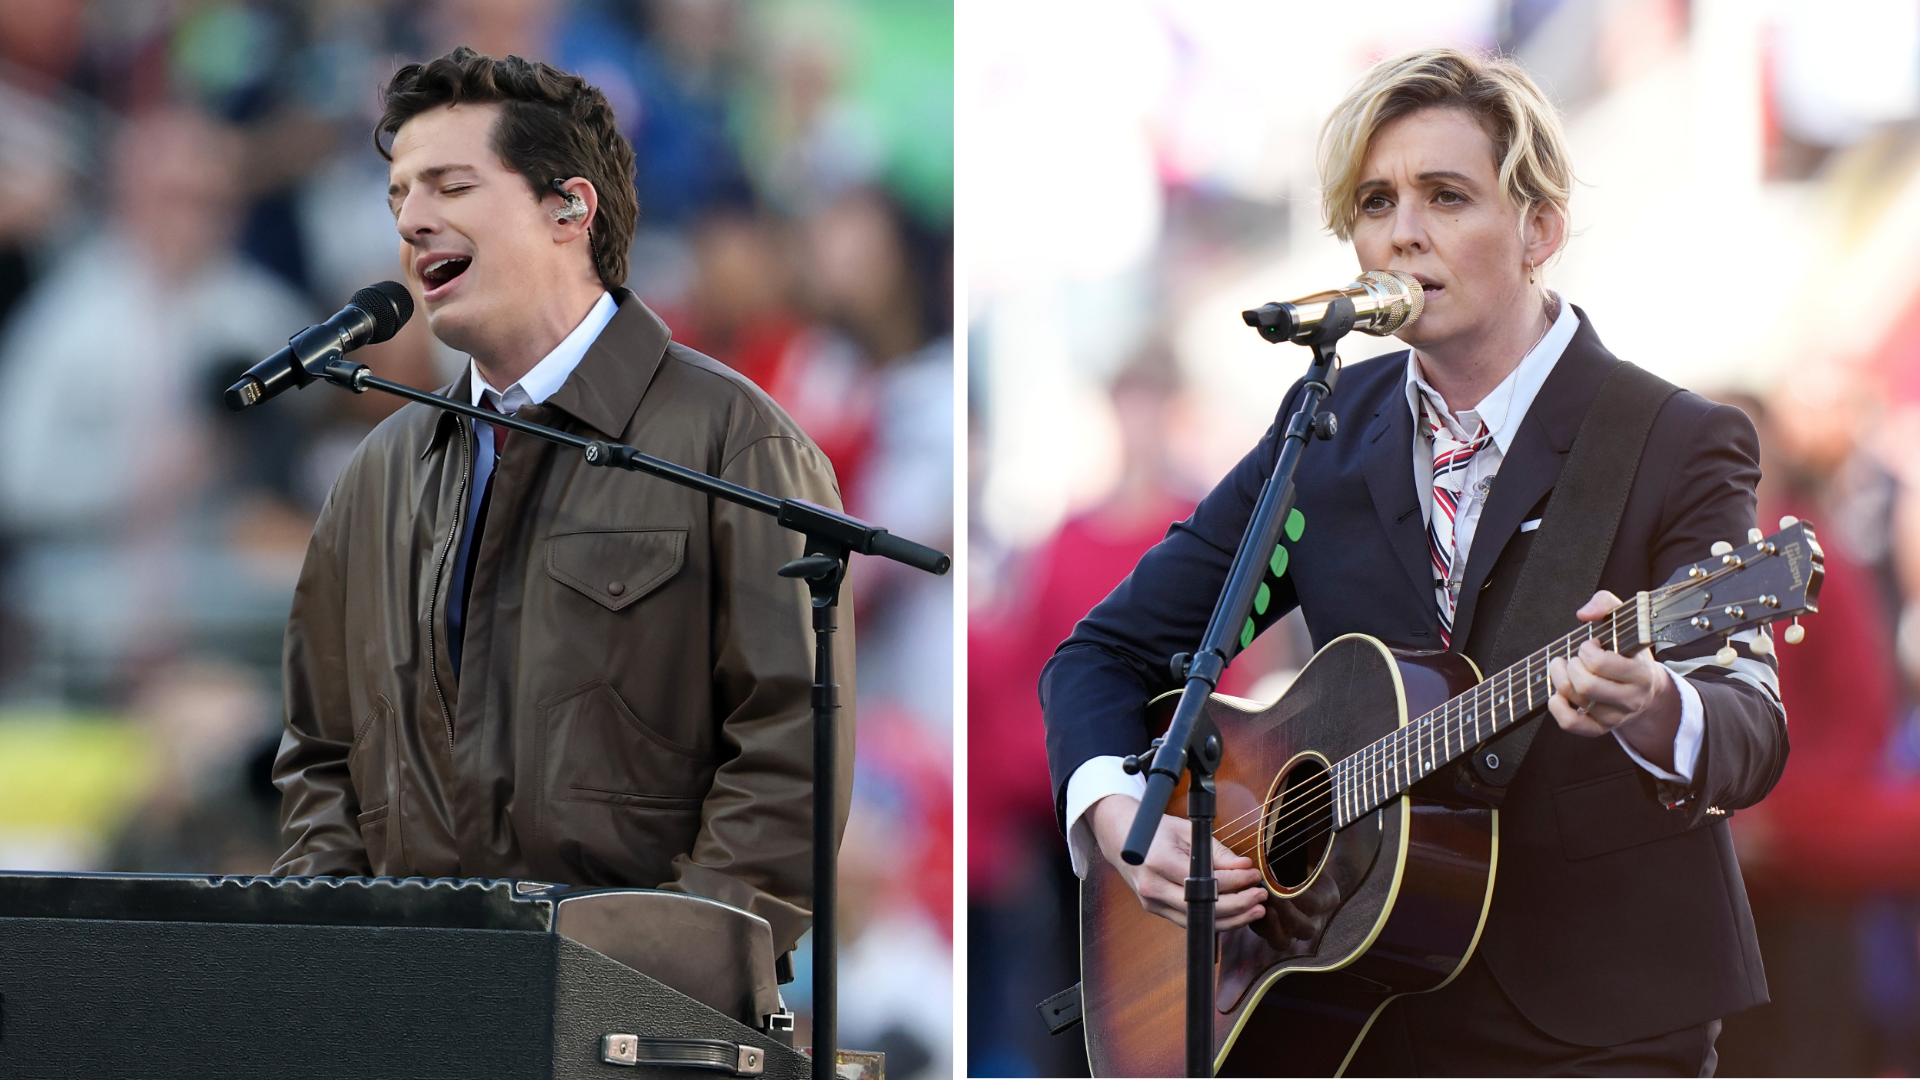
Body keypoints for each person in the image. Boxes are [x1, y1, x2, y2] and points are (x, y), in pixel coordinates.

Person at [1041, 48, 1785, 1075]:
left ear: (1541, 228)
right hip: (1361, 1008)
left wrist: (1657, 702)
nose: (1403, 232)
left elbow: (1752, 727)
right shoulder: (1326, 434)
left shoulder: (1673, 438)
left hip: (1605, 1017)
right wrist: (1118, 814)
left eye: (1447, 196)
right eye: (1377, 201)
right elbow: (1103, 656)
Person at [270, 48, 853, 959]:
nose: (413, 221)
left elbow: (789, 762)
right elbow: (319, 755)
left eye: (450, 187)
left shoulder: (736, 441)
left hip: (627, 1029)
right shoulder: (373, 477)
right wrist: (343, 956)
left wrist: (652, 974)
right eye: (399, 198)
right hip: (409, 1009)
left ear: (568, 210)